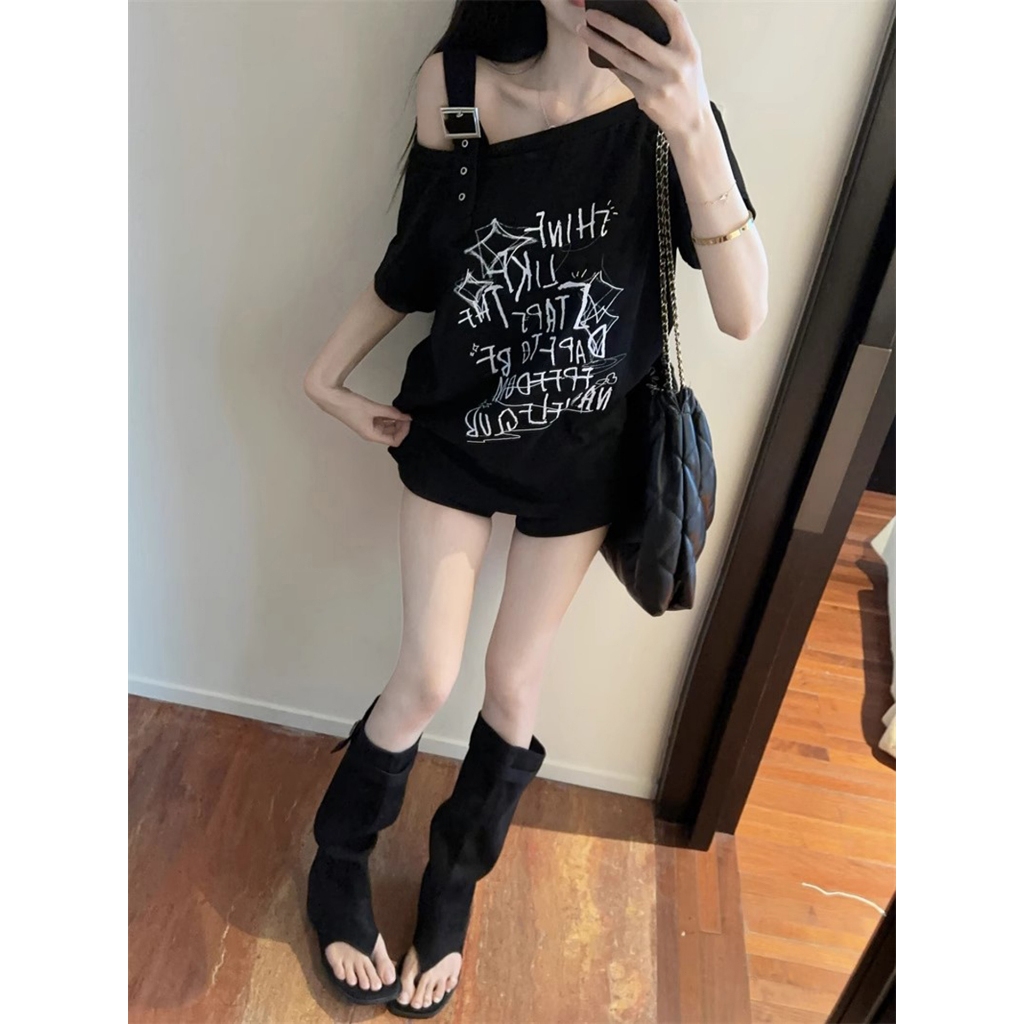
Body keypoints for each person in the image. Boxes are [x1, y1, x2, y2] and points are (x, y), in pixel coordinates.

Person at [301, 0, 768, 1017]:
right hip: (457, 431)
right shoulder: (456, 90)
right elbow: (418, 262)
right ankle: (339, 853)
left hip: (585, 460)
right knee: (426, 674)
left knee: (513, 682)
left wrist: (692, 123)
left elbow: (744, 312)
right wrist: (325, 376)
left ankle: (453, 881)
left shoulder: (667, 115)